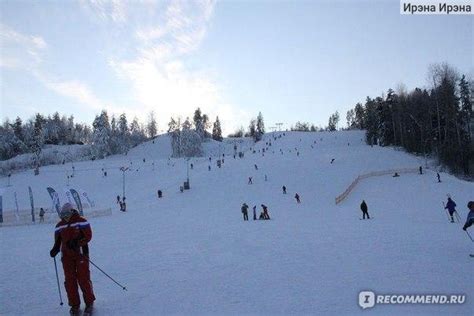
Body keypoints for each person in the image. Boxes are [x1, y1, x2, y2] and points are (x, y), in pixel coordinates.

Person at [50, 203, 95, 315]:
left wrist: (77, 242)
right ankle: (74, 305)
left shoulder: (81, 220)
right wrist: (55, 249)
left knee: (83, 278)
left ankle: (89, 303)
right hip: (66, 256)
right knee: (70, 281)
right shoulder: (59, 225)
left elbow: (88, 236)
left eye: (67, 214)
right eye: (63, 214)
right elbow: (58, 241)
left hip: (81, 254)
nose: (65, 216)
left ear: (71, 211)